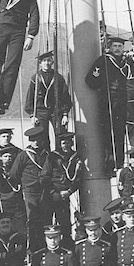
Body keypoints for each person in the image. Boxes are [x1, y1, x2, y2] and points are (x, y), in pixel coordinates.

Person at [8, 125, 63, 253]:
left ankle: (46, 248)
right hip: (30, 192)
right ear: (30, 141)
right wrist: (24, 185)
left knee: (46, 219)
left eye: (38, 139)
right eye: (33, 140)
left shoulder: (48, 155)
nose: (36, 142)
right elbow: (13, 175)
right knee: (32, 220)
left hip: (45, 191)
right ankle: (33, 250)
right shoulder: (24, 155)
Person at [84, 36, 133, 169]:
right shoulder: (103, 61)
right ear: (110, 47)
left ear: (123, 48)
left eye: (120, 46)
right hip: (107, 102)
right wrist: (102, 88)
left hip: (122, 103)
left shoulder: (127, 62)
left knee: (120, 133)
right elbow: (90, 80)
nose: (117, 49)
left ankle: (119, 162)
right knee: (106, 133)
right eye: (115, 46)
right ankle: (108, 161)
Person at [24, 50, 72, 149]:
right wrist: (32, 115)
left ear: (52, 62)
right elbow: (30, 97)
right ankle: (46, 160)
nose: (47, 63)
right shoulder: (35, 78)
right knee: (42, 137)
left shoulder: (58, 78)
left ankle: (60, 158)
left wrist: (65, 114)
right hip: (41, 111)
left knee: (60, 135)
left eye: (49, 60)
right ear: (40, 63)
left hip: (56, 110)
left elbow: (65, 97)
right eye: (44, 61)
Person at [51, 132, 84, 243]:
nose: (66, 146)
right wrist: (52, 192)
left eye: (68, 143)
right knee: (48, 221)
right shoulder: (52, 156)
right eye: (64, 143)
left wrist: (69, 192)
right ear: (60, 144)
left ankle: (66, 244)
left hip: (64, 194)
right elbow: (44, 177)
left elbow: (78, 178)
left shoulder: (75, 157)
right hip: (51, 194)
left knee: (65, 222)